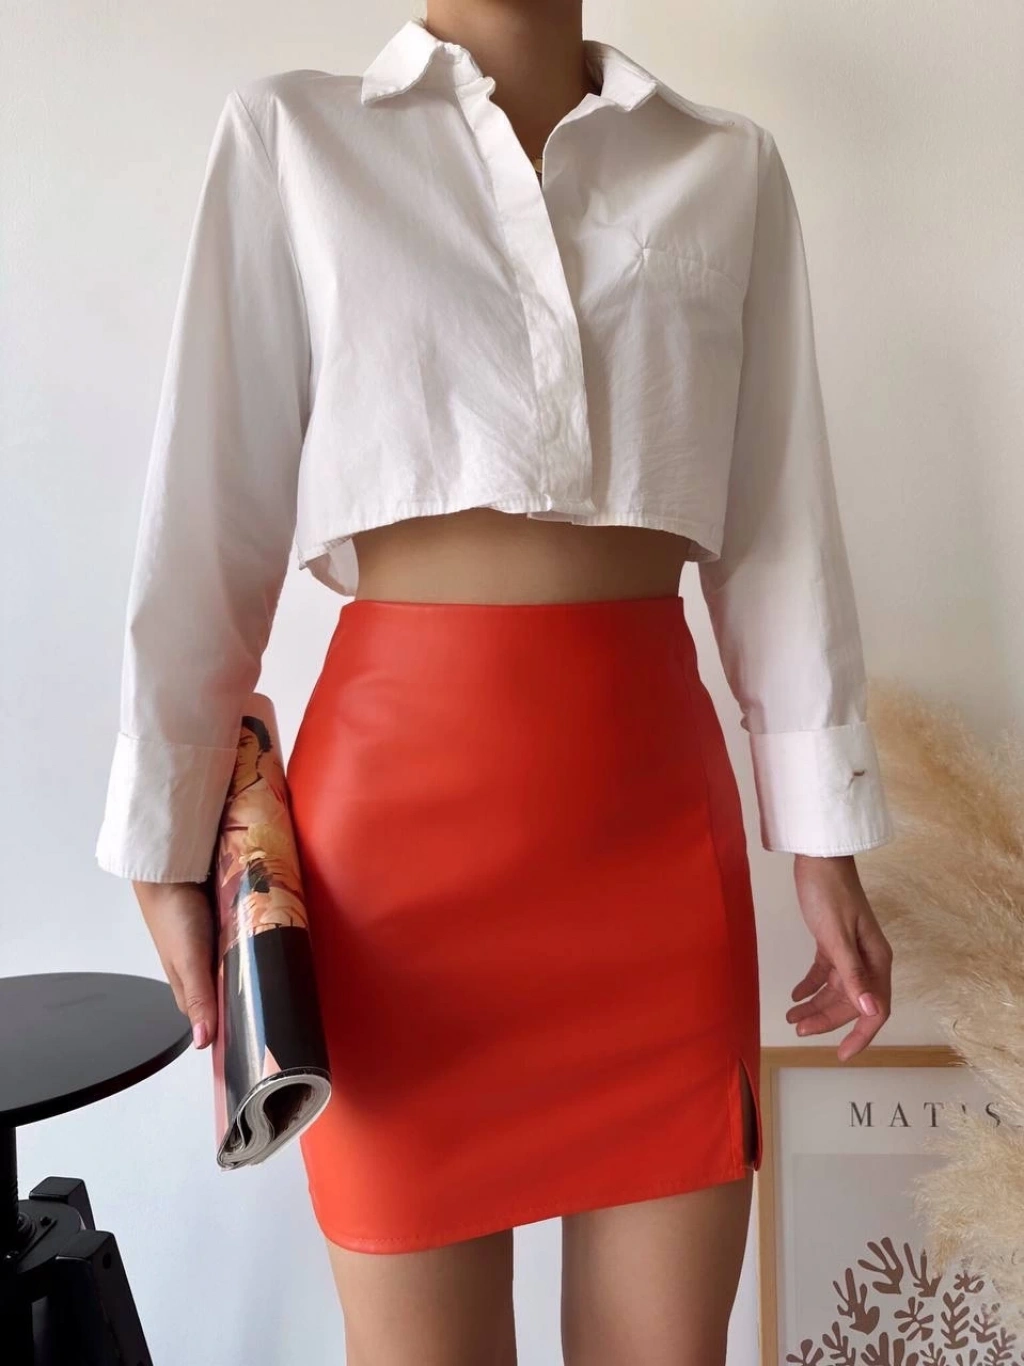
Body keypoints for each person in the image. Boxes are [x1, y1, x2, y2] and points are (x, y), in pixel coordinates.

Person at [94, 3, 897, 1362]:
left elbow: (778, 524)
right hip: (391, 891)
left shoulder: (728, 168)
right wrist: (165, 840)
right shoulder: (292, 139)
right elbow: (206, 519)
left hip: (657, 868)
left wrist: (824, 836)